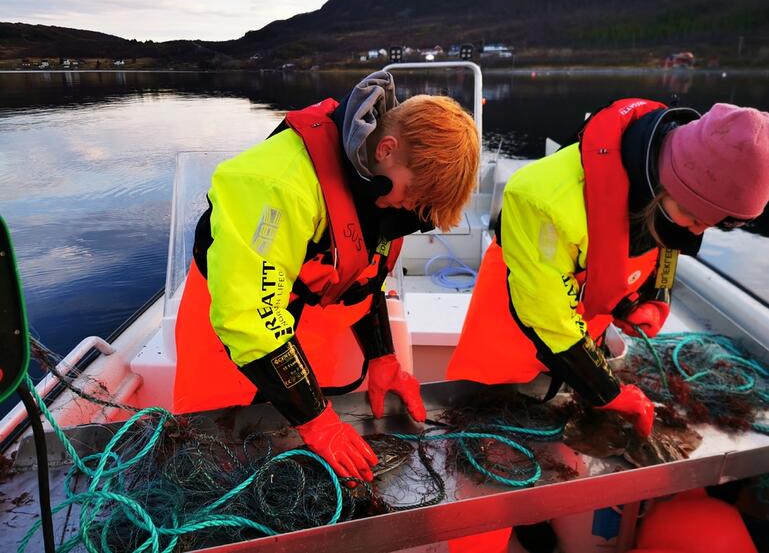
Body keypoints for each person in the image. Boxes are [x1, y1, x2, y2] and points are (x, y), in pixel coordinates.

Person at [445, 100, 769, 553]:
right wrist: (611, 393)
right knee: (491, 470)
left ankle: (541, 530)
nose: (695, 231)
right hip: (515, 337)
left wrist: (650, 298)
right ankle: (505, 530)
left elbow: (666, 250)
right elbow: (549, 320)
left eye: (706, 225)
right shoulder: (540, 198)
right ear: (662, 181)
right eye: (692, 217)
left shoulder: (673, 185)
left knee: (563, 462)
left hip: (585, 336)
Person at [173, 70, 480, 484]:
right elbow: (246, 316)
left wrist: (382, 357)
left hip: (311, 333)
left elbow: (365, 276)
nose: (410, 209)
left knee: (320, 481)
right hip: (231, 337)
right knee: (218, 471)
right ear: (387, 149)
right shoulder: (275, 183)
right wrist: (316, 421)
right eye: (414, 195)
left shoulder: (381, 194)